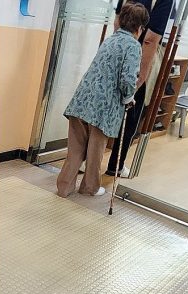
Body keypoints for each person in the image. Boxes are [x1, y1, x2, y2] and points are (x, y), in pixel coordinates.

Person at [57, 2, 149, 198]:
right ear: (140, 28)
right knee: (95, 151)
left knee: (75, 149)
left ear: (120, 21)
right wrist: (129, 97)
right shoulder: (133, 46)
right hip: (103, 109)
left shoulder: (110, 39)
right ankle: (89, 188)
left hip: (81, 101)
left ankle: (64, 188)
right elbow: (127, 79)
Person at [106, 0, 174, 177]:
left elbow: (117, 22)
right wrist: (142, 75)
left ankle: (86, 163)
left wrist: (117, 51)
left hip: (114, 52)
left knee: (104, 109)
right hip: (139, 57)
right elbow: (150, 40)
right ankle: (116, 165)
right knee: (131, 116)